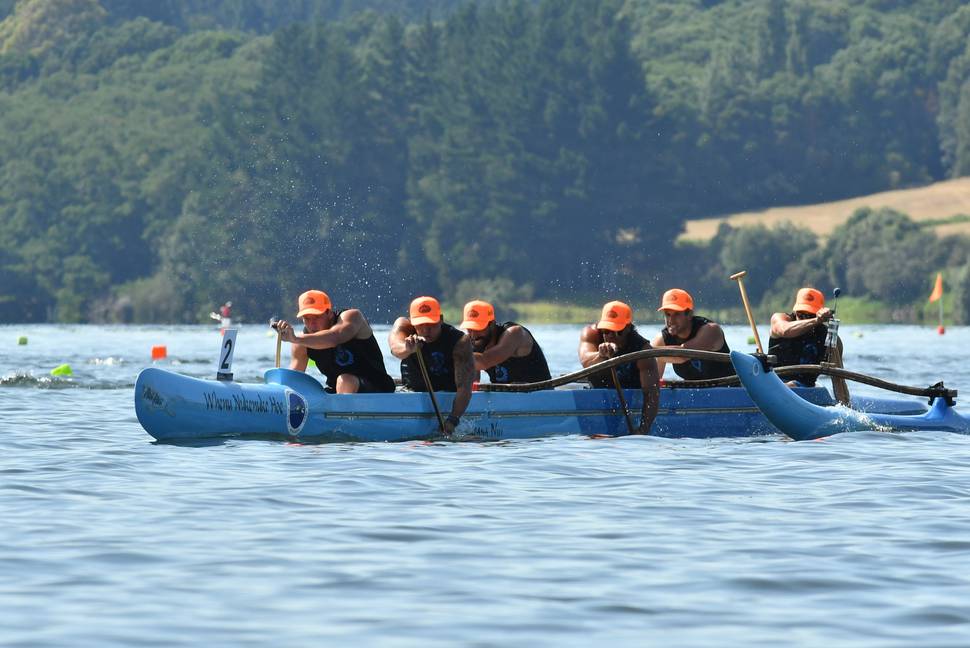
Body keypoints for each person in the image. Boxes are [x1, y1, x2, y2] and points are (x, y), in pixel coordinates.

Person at [273, 290, 395, 394]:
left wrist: (295, 338)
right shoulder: (301, 343)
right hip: (339, 391)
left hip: (379, 387)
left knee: (345, 380)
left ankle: (342, 414)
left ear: (329, 313)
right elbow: (293, 379)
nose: (312, 324)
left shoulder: (352, 317)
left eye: (316, 317)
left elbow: (334, 338)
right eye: (307, 318)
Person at [388, 296, 475, 434]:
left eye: (431, 324)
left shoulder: (459, 341)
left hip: (445, 394)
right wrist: (408, 348)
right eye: (420, 324)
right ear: (411, 321)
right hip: (410, 392)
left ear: (441, 319)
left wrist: (452, 420)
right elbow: (395, 348)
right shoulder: (403, 326)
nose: (426, 330)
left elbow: (464, 388)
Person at [577, 300, 659, 434]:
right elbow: (585, 361)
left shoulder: (642, 350)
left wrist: (644, 429)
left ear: (628, 328)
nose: (610, 336)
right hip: (599, 392)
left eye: (617, 331)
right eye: (606, 331)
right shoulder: (591, 334)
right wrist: (600, 355)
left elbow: (651, 394)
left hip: (629, 390)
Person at [460, 300, 551, 384]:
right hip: (505, 394)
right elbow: (473, 383)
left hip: (541, 393)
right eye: (470, 329)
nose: (473, 335)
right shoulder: (473, 343)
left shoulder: (515, 334)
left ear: (492, 324)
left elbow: (485, 361)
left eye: (478, 329)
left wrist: (457, 354)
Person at [651, 288, 734, 380]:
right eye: (668, 314)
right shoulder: (661, 341)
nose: (671, 320)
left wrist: (648, 350)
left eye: (677, 314)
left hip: (729, 385)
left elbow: (683, 354)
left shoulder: (711, 330)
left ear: (689, 314)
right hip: (693, 388)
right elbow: (653, 381)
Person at [768, 287, 841, 387]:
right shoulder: (780, 318)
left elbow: (838, 377)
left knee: (792, 385)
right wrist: (815, 320)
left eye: (810, 315)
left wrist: (843, 402)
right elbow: (784, 330)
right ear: (795, 311)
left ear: (818, 314)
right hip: (774, 381)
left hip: (804, 387)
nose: (804, 319)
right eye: (801, 314)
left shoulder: (827, 335)